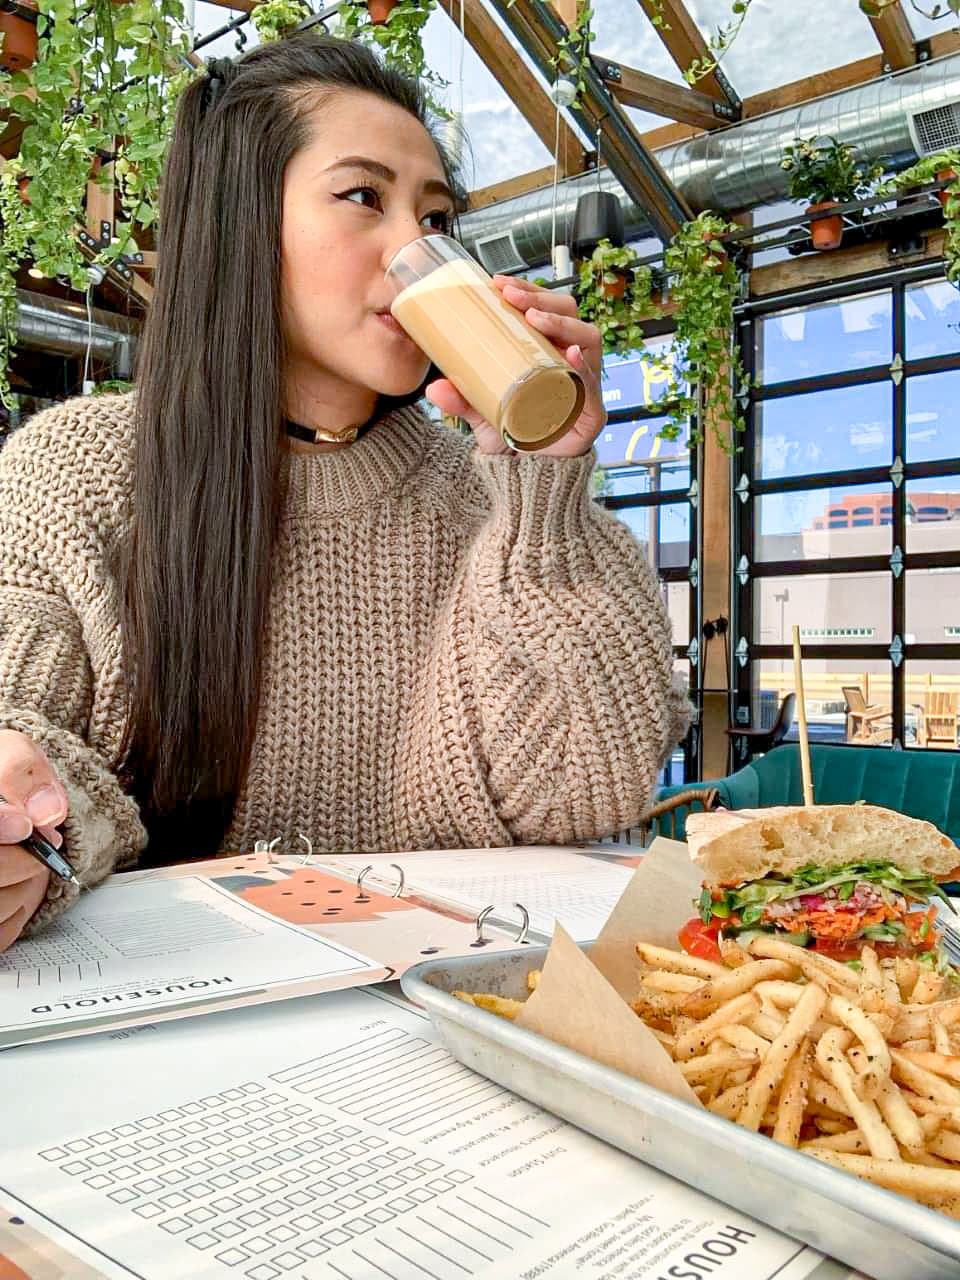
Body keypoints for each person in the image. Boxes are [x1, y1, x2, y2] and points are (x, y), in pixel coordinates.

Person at [0, 34, 690, 952]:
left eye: (436, 218)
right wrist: (35, 819)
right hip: (165, 1001)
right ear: (242, 223)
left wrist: (545, 486)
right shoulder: (76, 472)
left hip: (444, 1000)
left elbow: (587, 792)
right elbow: (24, 726)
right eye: (365, 197)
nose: (417, 249)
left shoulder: (485, 500)